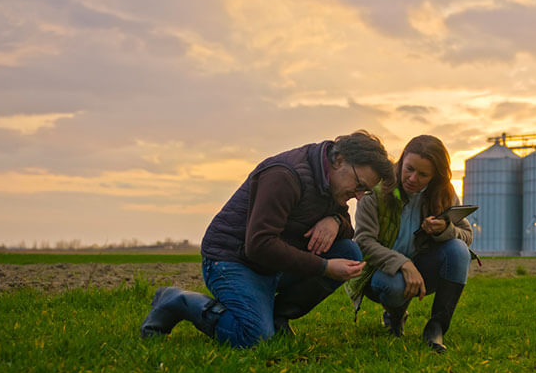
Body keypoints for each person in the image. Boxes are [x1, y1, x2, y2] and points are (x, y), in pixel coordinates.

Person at [141, 131, 394, 348]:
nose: (359, 197)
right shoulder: (285, 175)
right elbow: (259, 245)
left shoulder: (332, 180)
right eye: (359, 185)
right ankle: (178, 301)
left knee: (349, 252)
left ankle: (276, 317)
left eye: (366, 191)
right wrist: (324, 267)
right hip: (232, 261)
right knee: (255, 338)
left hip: (273, 264)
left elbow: (346, 229)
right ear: (338, 160)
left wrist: (335, 221)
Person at [344, 135, 473, 353]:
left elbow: (467, 236)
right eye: (409, 168)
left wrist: (445, 230)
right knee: (395, 286)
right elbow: (364, 241)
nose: (413, 178)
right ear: (402, 161)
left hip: (422, 268)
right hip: (379, 272)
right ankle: (395, 315)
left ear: (435, 176)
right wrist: (403, 264)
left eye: (423, 174)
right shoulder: (377, 190)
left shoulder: (444, 194)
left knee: (459, 250)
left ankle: (436, 327)